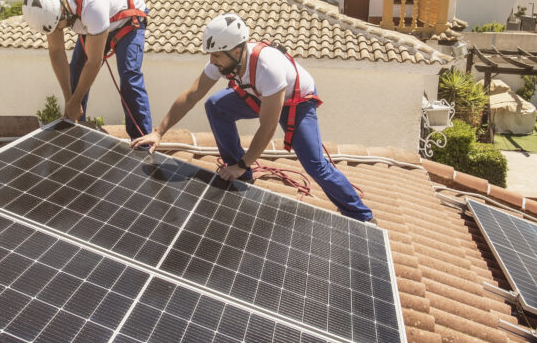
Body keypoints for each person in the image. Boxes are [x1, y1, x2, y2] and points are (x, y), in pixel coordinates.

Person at [130, 13, 373, 222]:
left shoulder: (268, 67)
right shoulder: (224, 60)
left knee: (315, 165)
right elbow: (193, 94)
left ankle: (361, 216)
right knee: (215, 105)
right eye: (211, 56)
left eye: (217, 57)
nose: (212, 62)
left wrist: (245, 161)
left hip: (296, 101)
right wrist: (159, 131)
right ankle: (240, 174)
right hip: (258, 94)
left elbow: (267, 128)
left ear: (237, 50)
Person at [23, 0, 152, 140]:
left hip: (127, 21)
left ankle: (143, 140)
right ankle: (76, 129)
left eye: (58, 27)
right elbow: (56, 52)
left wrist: (75, 101)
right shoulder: (48, 7)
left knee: (129, 76)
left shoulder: (93, 7)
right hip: (95, 23)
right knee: (76, 72)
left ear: (63, 12)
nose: (57, 31)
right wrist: (70, 99)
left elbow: (94, 62)